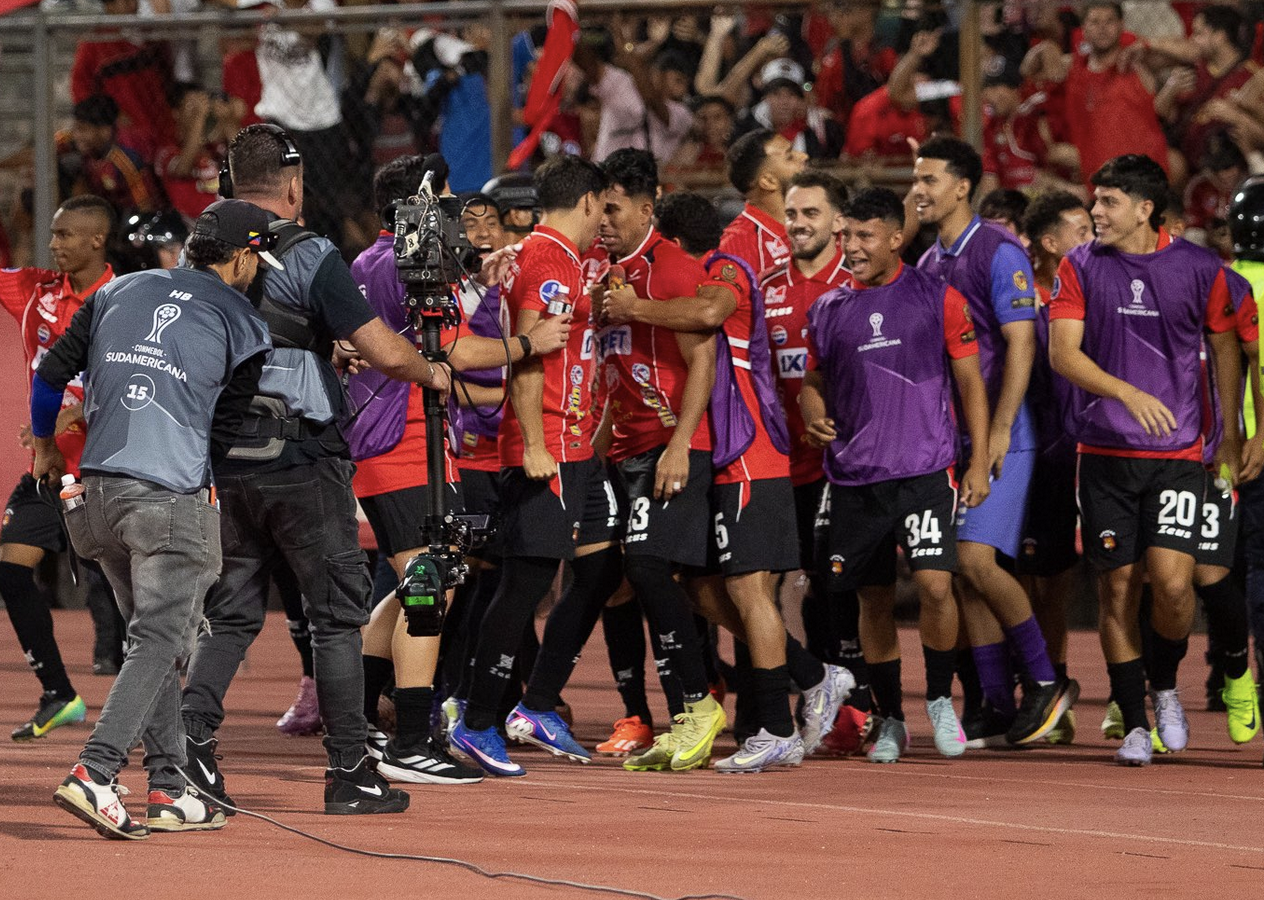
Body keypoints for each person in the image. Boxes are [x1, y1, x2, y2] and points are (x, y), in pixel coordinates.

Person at [179, 123, 448, 815]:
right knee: (336, 618)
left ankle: (190, 755)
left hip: (223, 458)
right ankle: (351, 772)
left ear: (233, 182)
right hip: (301, 458)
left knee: (230, 618)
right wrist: (435, 372)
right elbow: (385, 352)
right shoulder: (309, 251)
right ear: (294, 183)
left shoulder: (199, 251)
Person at [37, 198, 274, 840]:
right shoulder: (244, 320)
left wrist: (40, 442)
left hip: (96, 494)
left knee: (153, 639)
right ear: (243, 256)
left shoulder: (120, 290)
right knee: (159, 640)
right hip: (168, 496)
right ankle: (97, 770)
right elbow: (228, 426)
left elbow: (51, 371)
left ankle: (171, 787)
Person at [349, 153, 569, 785]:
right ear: (419, 204)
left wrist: (476, 279)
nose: (454, 213)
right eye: (445, 201)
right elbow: (445, 347)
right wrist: (529, 345)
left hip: (388, 437)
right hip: (403, 440)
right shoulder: (401, 261)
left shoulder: (374, 259)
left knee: (409, 585)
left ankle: (362, 718)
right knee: (430, 584)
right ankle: (411, 740)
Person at [512, 148, 721, 772]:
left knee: (652, 569)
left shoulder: (672, 267)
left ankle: (701, 705)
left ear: (646, 208)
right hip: (617, 448)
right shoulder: (596, 268)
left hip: (670, 447)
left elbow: (705, 349)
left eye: (613, 208)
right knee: (601, 577)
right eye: (596, 207)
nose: (600, 218)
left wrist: (681, 443)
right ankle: (577, 706)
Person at [1049, 153, 1255, 766]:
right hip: (1105, 454)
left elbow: (1226, 352)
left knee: (1172, 585)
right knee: (1117, 589)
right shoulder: (1077, 265)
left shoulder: (1199, 269)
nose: (1095, 213)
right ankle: (1135, 721)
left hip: (1180, 455)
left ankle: (1164, 685)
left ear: (1144, 209)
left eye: (1108, 202)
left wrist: (1233, 434)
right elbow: (1064, 354)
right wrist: (1127, 392)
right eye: (1095, 201)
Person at [801, 186, 991, 764]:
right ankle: (890, 718)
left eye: (862, 237)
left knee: (936, 585)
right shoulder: (830, 308)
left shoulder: (939, 298)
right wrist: (813, 411)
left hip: (927, 471)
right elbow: (814, 379)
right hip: (857, 477)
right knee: (873, 601)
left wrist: (979, 459)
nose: (850, 247)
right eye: (845, 237)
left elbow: (970, 383)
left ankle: (938, 700)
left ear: (893, 237)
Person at [449, 154, 612, 778]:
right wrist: (536, 443)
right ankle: (480, 719)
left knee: (588, 566)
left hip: (573, 445)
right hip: (549, 446)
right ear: (592, 201)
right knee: (524, 584)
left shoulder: (562, 260)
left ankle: (531, 705)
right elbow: (530, 356)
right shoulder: (546, 259)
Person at [913, 136, 1076, 748]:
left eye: (928, 179)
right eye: (915, 178)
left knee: (979, 561)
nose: (918, 190)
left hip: (1005, 434)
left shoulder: (998, 250)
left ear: (962, 187)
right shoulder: (930, 262)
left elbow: (1022, 344)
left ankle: (1044, 682)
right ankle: (993, 701)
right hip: (952, 436)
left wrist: (1003, 428)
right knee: (959, 570)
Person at [757, 170, 870, 754]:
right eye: (792, 214)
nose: (799, 224)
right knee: (771, 582)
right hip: (778, 461)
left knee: (835, 586)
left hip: (843, 462)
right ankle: (793, 693)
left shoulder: (855, 282)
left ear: (838, 222)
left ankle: (854, 706)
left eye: (811, 214)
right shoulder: (766, 284)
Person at [1, 197, 116, 743]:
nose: (54, 245)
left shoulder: (125, 301)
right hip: (49, 470)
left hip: (109, 472)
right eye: (52, 235)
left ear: (98, 240)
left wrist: (73, 413)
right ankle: (58, 694)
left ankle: (173, 710)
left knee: (136, 594)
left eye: (66, 235)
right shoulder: (35, 291)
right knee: (10, 568)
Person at [1019, 191, 1095, 745]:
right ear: (1050, 243)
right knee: (1031, 577)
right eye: (1082, 228)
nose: (1092, 236)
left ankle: (1063, 688)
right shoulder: (1022, 298)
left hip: (1081, 450)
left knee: (1063, 579)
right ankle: (1039, 686)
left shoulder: (1099, 287)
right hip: (1031, 452)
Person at [718, 128, 807, 276]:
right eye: (789, 156)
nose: (804, 156)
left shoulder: (826, 223)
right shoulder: (736, 247)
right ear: (768, 181)